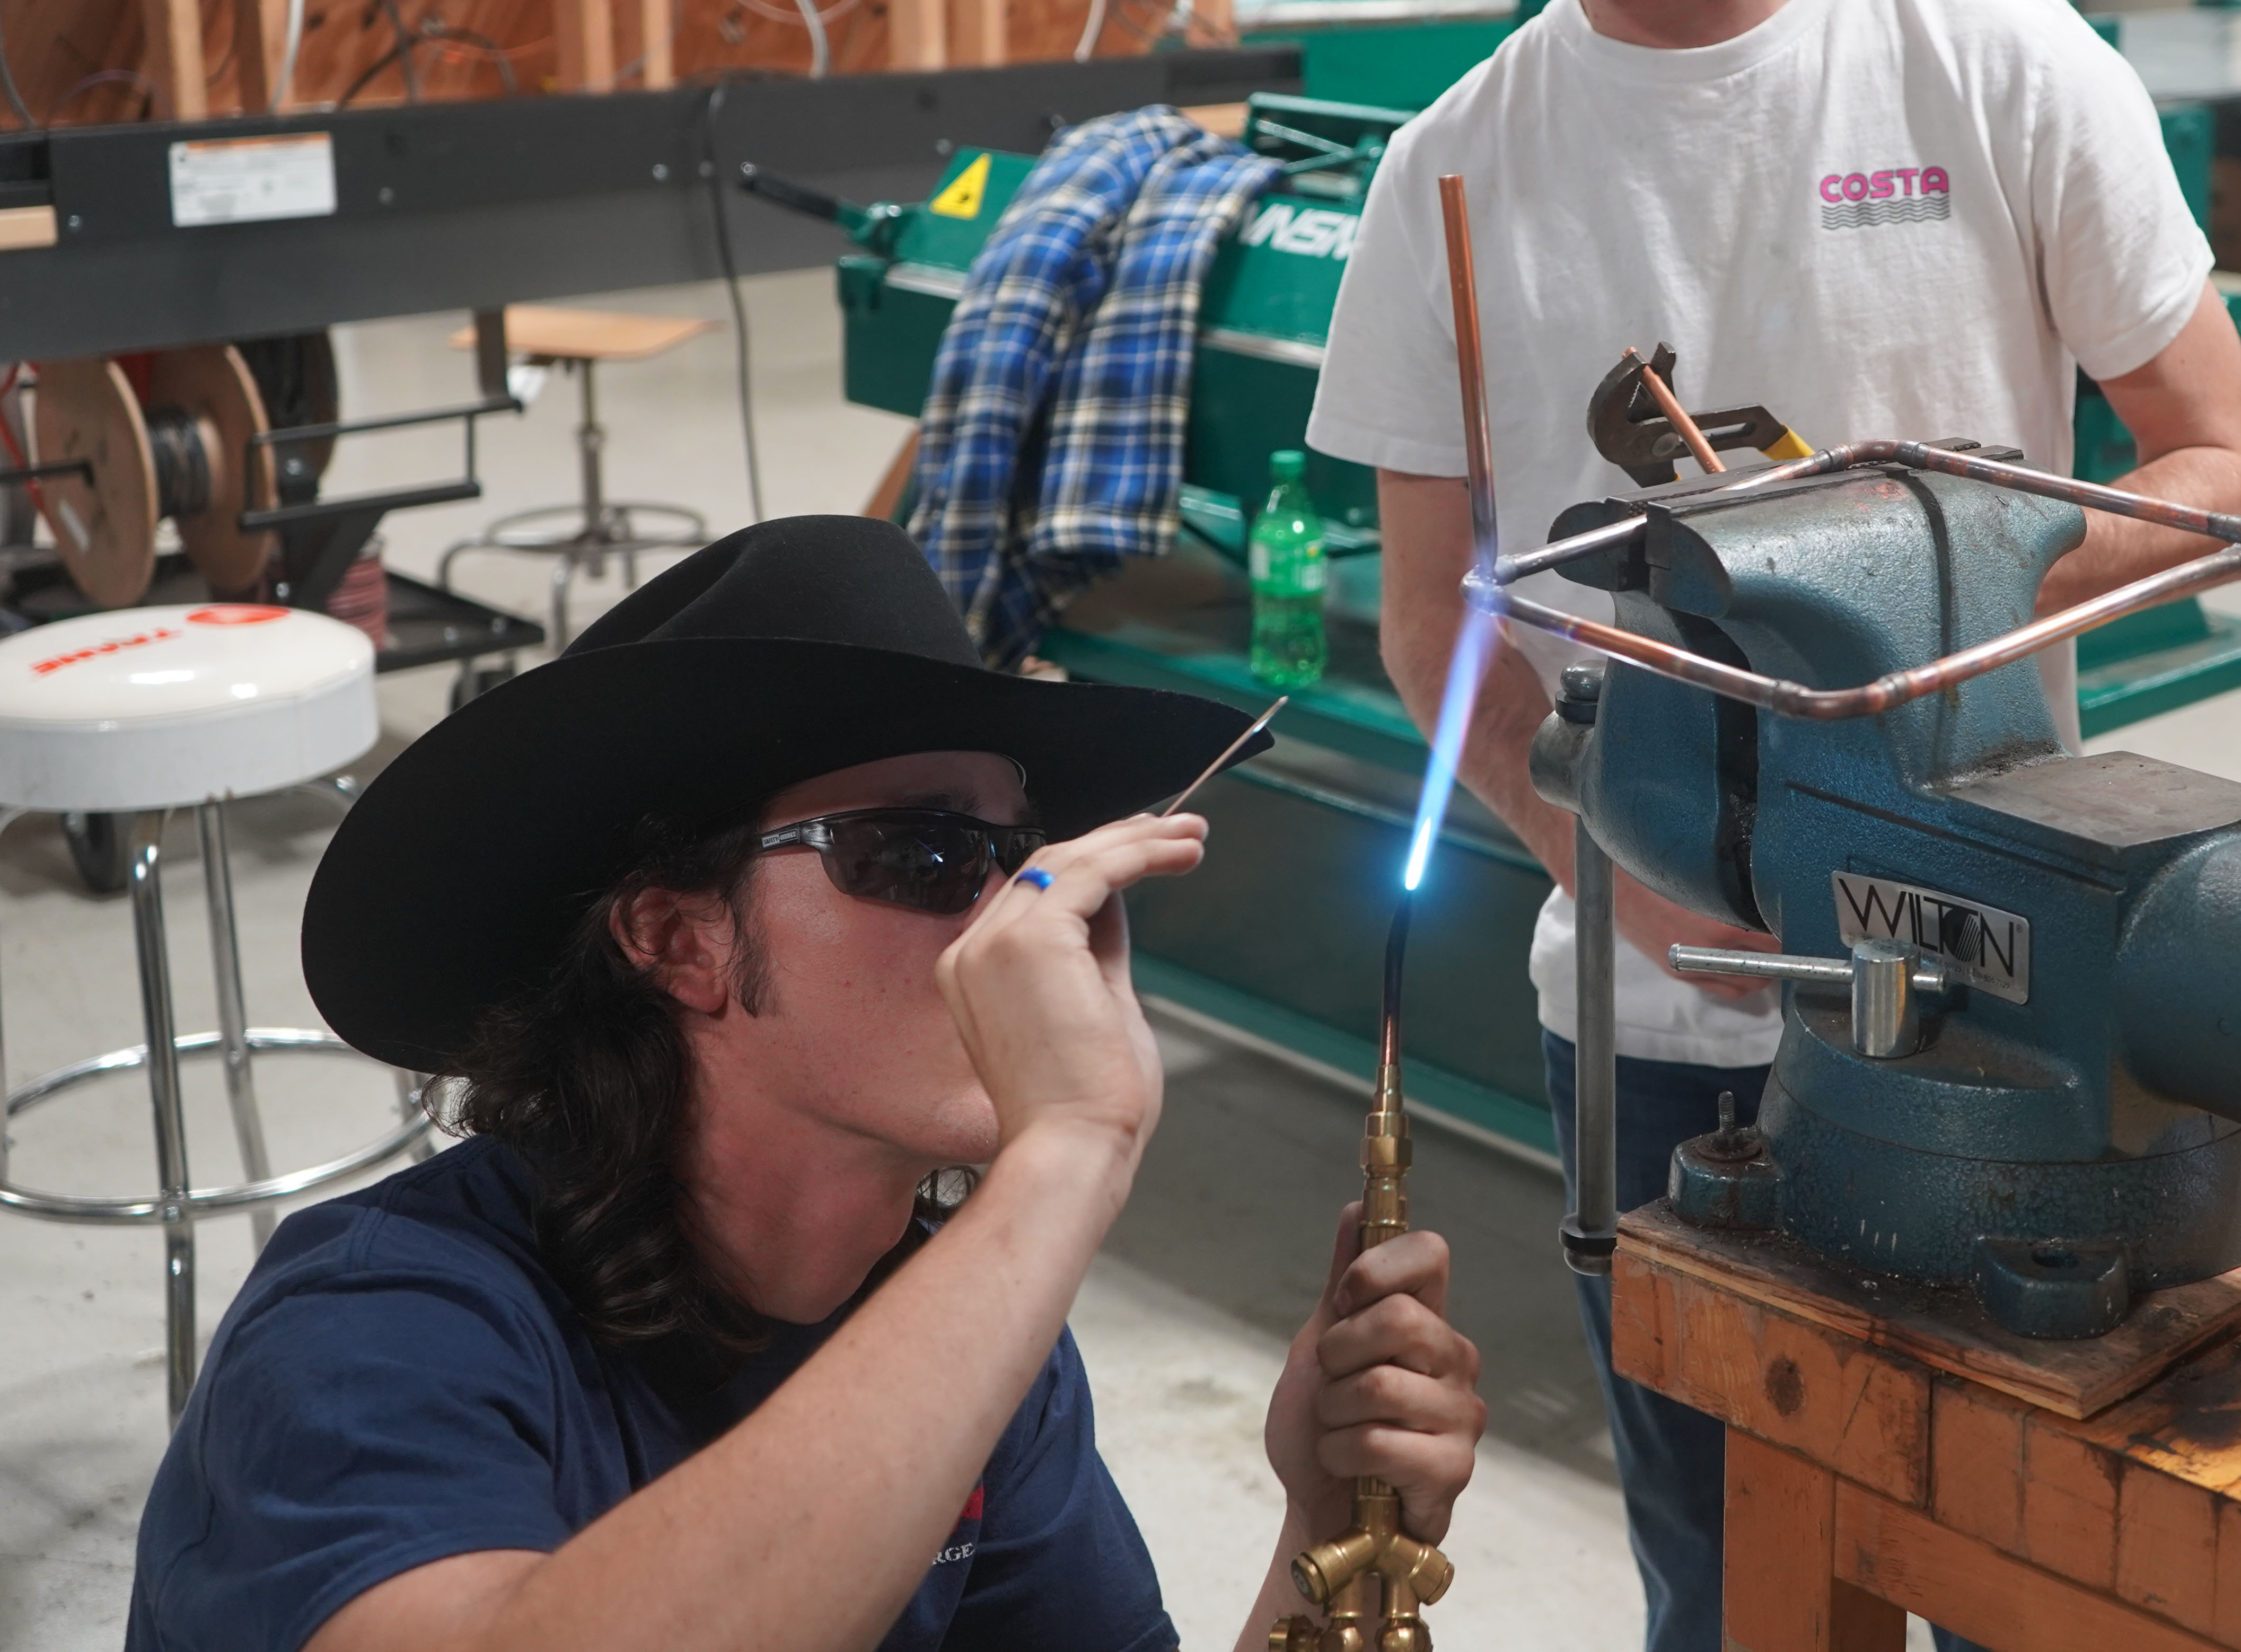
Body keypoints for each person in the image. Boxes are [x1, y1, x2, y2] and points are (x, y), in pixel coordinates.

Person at [1304, 0, 2241, 1646]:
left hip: (2012, 990)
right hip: (1656, 1035)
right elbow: (1433, 625)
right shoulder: (1455, 177)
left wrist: (1933, 570)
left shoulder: (1998, 67)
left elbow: (2234, 476)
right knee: (1738, 1591)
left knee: (2036, 1572)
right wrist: (1645, 893)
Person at [128, 516, 1487, 1652]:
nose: (1025, 923)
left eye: (1028, 857)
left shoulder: (952, 1325)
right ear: (679, 940)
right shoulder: (377, 1328)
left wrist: (1322, 1530)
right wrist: (1067, 1150)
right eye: (924, 855)